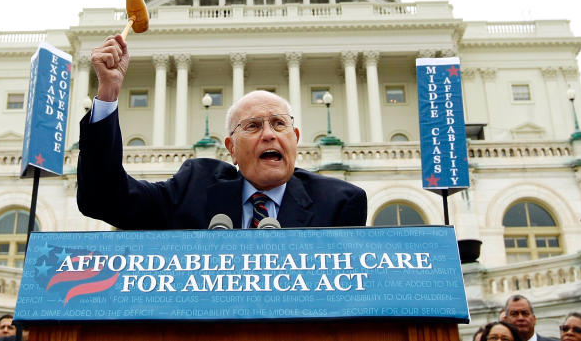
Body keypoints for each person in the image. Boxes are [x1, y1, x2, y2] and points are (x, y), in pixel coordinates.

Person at [77, 34, 368, 229]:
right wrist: (109, 92)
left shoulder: (339, 203)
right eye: (253, 126)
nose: (269, 135)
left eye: (280, 124)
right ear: (231, 149)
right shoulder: (196, 187)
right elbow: (104, 198)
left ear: (296, 139)